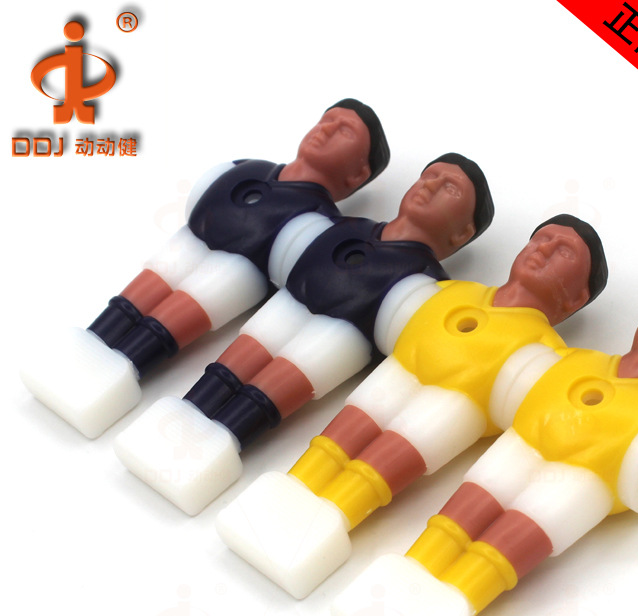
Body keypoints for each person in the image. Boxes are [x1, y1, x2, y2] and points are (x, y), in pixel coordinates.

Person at [331, 279, 638, 616]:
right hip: (521, 444)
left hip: (584, 480)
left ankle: (455, 604)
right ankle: (407, 572)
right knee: (461, 514)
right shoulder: (576, 359)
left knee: (512, 537)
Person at [215, 215, 607, 598]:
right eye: (541, 239)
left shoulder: (549, 355)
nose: (542, 251)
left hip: (456, 404)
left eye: (563, 253)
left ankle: (332, 520)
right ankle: (291, 491)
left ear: (575, 299)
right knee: (342, 435)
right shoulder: (453, 291)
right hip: (400, 371)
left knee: (386, 458)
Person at [114, 154, 494, 515]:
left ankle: (219, 445)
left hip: (343, 334)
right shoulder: (345, 226)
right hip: (290, 303)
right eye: (429, 176)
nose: (430, 186)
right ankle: (179, 417)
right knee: (227, 370)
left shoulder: (430, 289)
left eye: (449, 189)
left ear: (461, 234)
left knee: (265, 393)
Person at [20, 99, 388, 438]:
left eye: (344, 132)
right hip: (191, 239)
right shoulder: (249, 168)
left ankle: (123, 370)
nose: (325, 129)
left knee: (180, 308)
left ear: (356, 176)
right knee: (140, 293)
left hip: (238, 270)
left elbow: (294, 267)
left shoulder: (321, 223)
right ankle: (91, 346)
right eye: (327, 119)